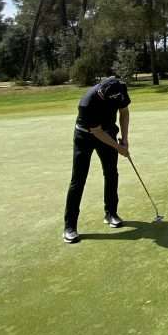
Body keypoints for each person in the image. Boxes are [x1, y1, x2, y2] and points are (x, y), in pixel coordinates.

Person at [63, 76, 131, 243]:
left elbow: (124, 112)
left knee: (111, 173)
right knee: (78, 180)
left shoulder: (120, 88)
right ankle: (69, 227)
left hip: (107, 131)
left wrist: (125, 138)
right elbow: (97, 132)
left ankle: (111, 213)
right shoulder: (87, 102)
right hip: (85, 136)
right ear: (101, 92)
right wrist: (118, 148)